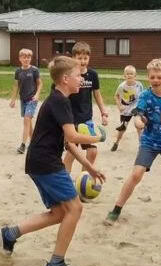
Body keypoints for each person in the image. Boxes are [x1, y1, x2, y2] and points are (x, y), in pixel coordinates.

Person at [0, 56, 108, 266]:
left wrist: (88, 165)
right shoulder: (59, 101)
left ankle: (9, 235)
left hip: (40, 162)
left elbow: (68, 143)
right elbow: (73, 135)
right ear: (65, 79)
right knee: (75, 208)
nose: (81, 79)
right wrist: (98, 137)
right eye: (77, 76)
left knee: (59, 213)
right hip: (46, 163)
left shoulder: (60, 100)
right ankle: (56, 263)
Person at [104, 59, 161, 226]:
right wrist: (139, 121)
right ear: (148, 78)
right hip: (149, 142)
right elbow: (139, 116)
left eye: (159, 77)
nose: (155, 80)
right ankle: (116, 209)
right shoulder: (145, 96)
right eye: (152, 77)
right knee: (136, 174)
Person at [62, 42, 109, 173]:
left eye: (85, 58)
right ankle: (65, 180)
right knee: (72, 152)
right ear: (73, 58)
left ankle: (83, 178)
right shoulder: (69, 75)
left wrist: (103, 112)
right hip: (71, 119)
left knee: (92, 151)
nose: (82, 61)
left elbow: (97, 94)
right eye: (79, 58)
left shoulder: (93, 75)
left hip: (86, 119)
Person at [9, 48, 42, 154]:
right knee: (29, 123)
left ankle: (23, 145)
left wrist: (37, 95)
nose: (26, 59)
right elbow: (16, 86)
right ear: (20, 58)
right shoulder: (18, 71)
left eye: (28, 57)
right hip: (23, 99)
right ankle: (34, 143)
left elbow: (40, 84)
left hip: (32, 99)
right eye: (24, 57)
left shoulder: (34, 70)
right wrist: (13, 99)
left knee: (27, 120)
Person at [110, 65, 145, 152]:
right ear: (124, 76)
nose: (129, 75)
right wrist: (119, 106)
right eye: (127, 74)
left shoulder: (139, 85)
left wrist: (142, 107)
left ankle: (142, 145)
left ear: (135, 76)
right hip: (126, 108)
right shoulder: (122, 86)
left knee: (138, 126)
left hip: (136, 107)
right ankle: (116, 142)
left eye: (131, 74)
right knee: (123, 128)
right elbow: (116, 96)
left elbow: (142, 96)